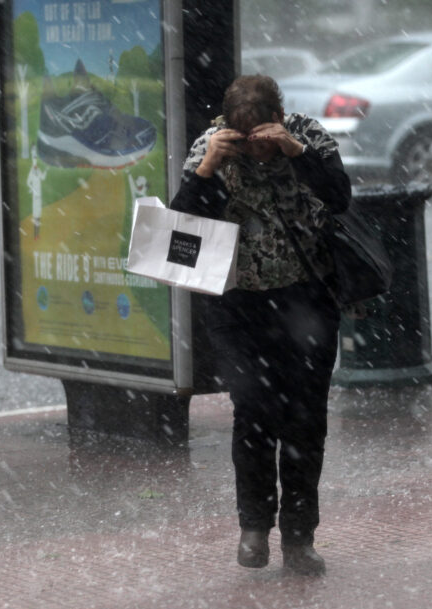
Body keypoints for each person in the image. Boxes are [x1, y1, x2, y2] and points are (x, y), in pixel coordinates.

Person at [170, 75, 350, 575]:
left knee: (305, 419)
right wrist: (207, 170)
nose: (257, 148)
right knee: (252, 410)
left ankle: (299, 538)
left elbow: (340, 198)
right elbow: (183, 226)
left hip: (305, 301)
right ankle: (254, 526)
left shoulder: (307, 136)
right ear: (229, 125)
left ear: (280, 115)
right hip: (237, 307)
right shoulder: (210, 147)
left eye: (263, 134)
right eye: (245, 136)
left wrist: (295, 152)